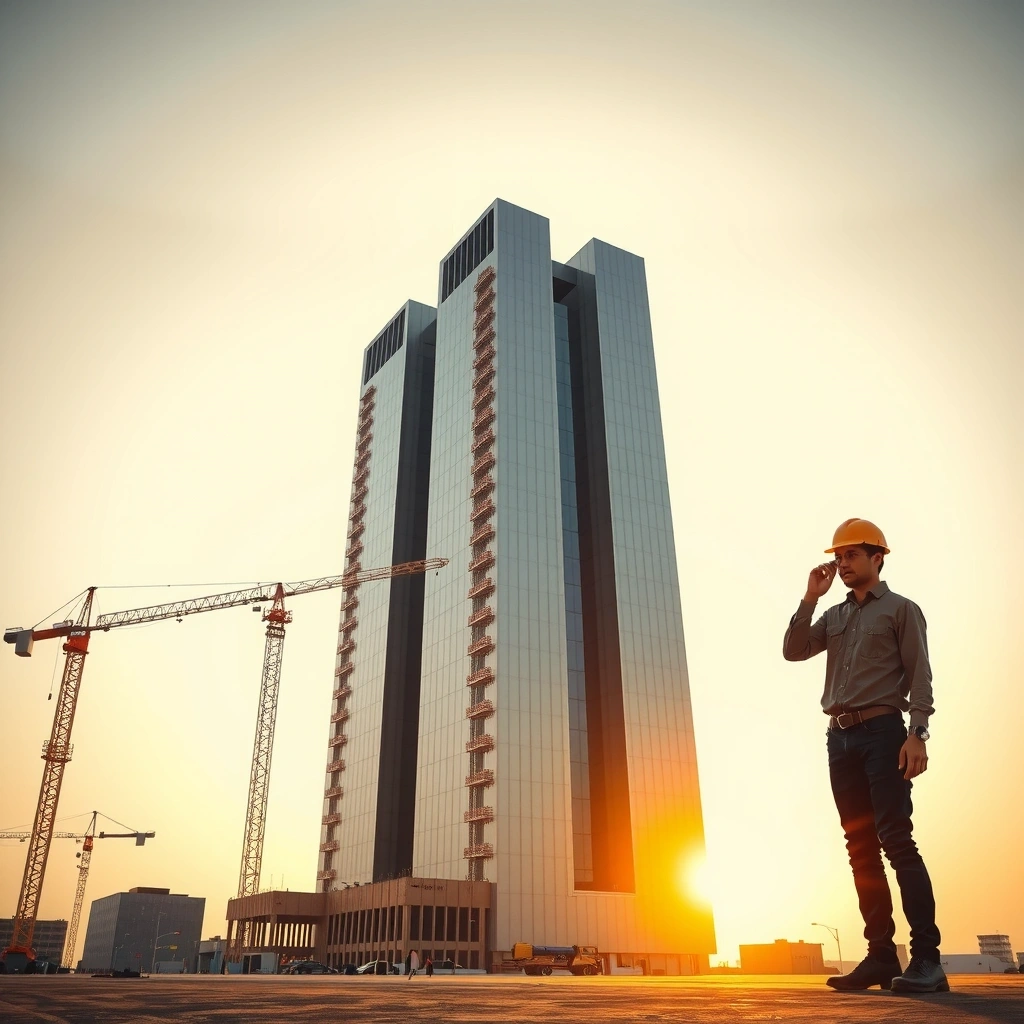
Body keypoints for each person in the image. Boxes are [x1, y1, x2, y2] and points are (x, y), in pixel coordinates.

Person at [783, 519, 947, 994]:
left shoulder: (901, 610)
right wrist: (810, 597)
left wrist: (917, 733)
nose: (842, 564)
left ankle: (927, 960)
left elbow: (920, 675)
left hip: (883, 733)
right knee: (859, 850)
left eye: (852, 555)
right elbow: (793, 651)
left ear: (878, 557)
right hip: (840, 739)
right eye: (838, 557)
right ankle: (879, 957)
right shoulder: (834, 616)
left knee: (896, 839)